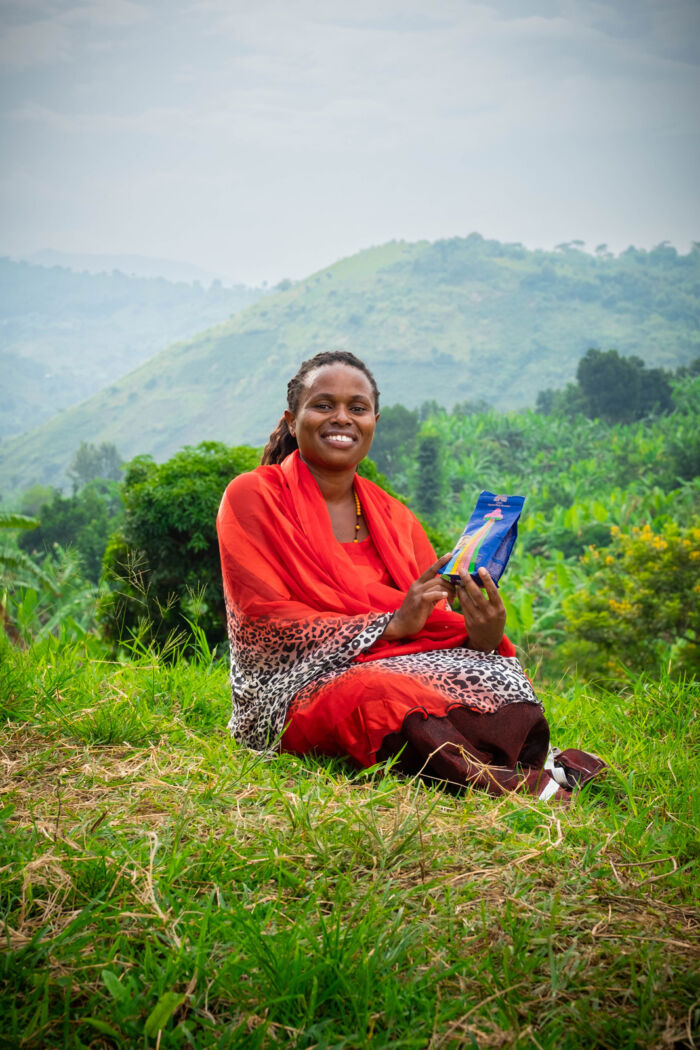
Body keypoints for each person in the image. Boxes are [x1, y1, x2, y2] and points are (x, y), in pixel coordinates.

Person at [216, 351, 604, 800]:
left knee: (499, 676)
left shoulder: (394, 518)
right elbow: (263, 625)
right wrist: (391, 624)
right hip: (289, 691)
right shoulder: (253, 496)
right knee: (376, 693)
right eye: (323, 405)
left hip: (394, 669)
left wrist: (481, 634)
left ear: (373, 420)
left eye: (357, 408)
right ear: (291, 419)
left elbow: (430, 629)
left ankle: (499, 762)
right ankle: (515, 784)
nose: (341, 418)